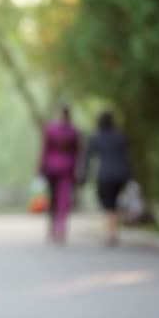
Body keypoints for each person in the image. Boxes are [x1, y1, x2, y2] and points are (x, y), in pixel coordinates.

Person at [81, 110, 132, 247]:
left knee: (108, 205)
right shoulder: (120, 137)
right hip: (120, 175)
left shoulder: (96, 137)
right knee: (114, 203)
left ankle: (109, 235)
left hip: (104, 175)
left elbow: (87, 158)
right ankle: (113, 232)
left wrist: (83, 175)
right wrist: (130, 176)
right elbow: (126, 158)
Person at [38, 106, 81, 245]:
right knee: (63, 199)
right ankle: (60, 228)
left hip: (52, 167)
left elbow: (45, 149)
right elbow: (77, 152)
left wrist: (41, 167)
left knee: (54, 199)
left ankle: (53, 229)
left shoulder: (51, 130)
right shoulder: (74, 131)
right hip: (67, 168)